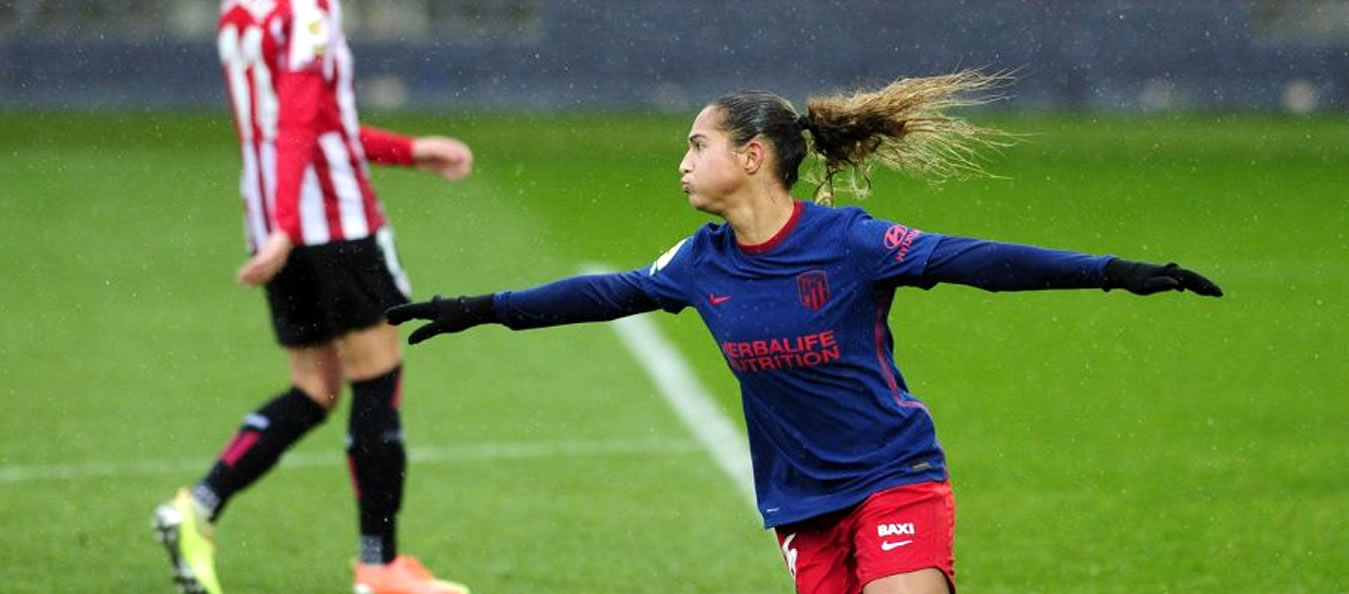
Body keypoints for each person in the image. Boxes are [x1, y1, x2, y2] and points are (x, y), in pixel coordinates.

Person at [384, 71, 1223, 594]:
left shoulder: (849, 241)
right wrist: (479, 308)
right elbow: (610, 293)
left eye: (696, 143)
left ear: (752, 156)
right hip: (799, 503)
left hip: (894, 476)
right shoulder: (698, 260)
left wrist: (1110, 269)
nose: (680, 161)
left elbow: (975, 259)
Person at [152, 2, 473, 593]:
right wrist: (287, 223)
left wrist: (406, 150)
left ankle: (197, 509)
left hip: (279, 227)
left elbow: (308, 121)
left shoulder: (240, 12)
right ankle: (379, 567)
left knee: (315, 388)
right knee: (377, 380)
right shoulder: (308, 10)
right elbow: (299, 117)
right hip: (330, 225)